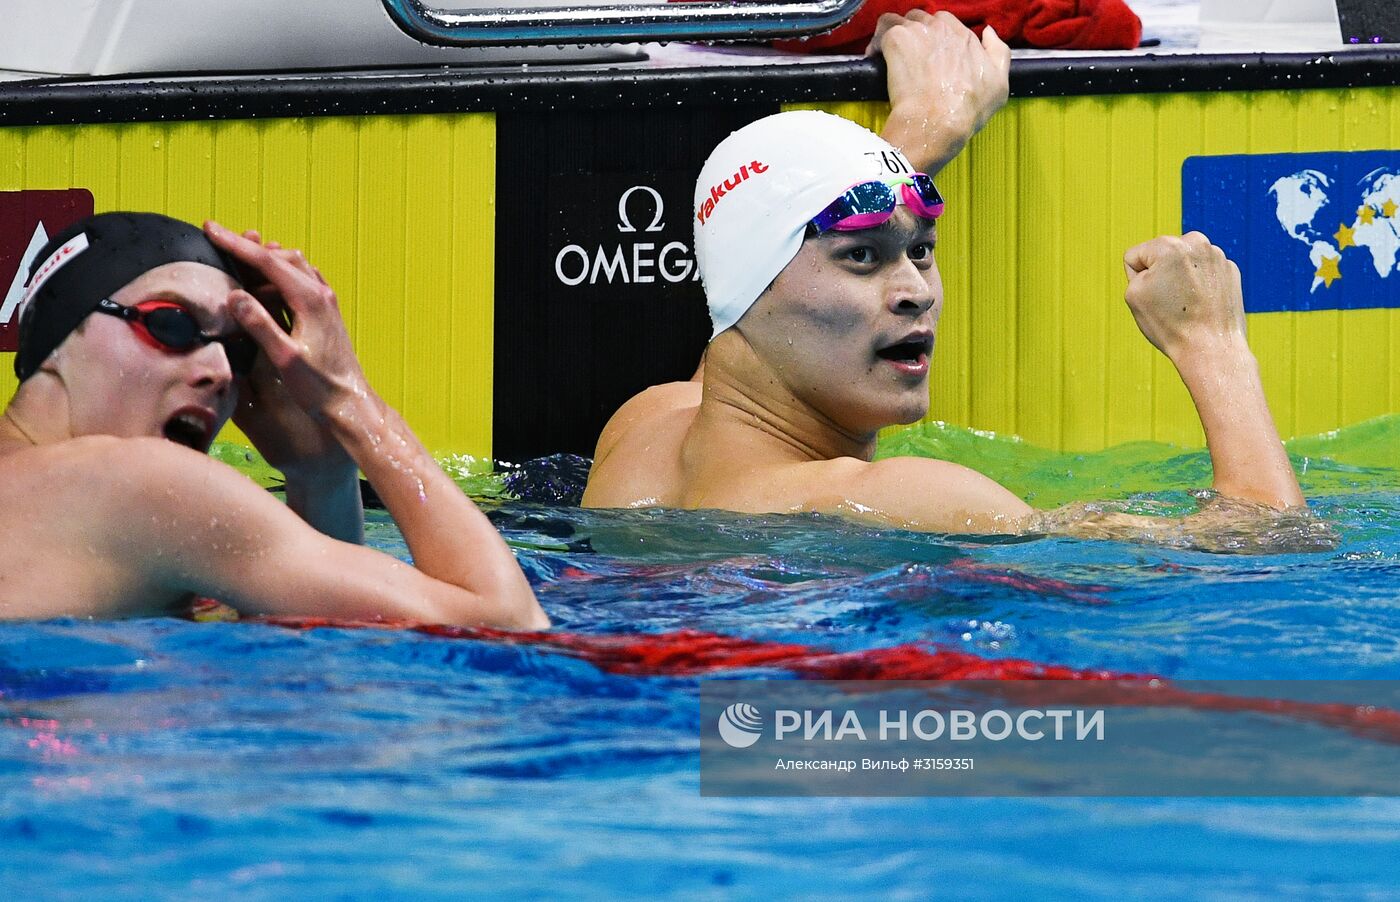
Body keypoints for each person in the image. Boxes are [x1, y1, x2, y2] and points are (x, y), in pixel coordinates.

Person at [582, 28, 1311, 541]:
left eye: (922, 250)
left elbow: (740, 311)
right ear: (756, 288)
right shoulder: (901, 502)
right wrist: (1214, 347)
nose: (917, 291)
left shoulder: (642, 434)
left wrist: (918, 135)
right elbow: (1269, 548)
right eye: (862, 259)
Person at [0, 212, 548, 628]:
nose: (219, 371)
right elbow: (504, 623)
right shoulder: (136, 482)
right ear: (57, 338)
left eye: (239, 353)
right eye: (173, 325)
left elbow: (319, 639)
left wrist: (322, 476)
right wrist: (351, 404)